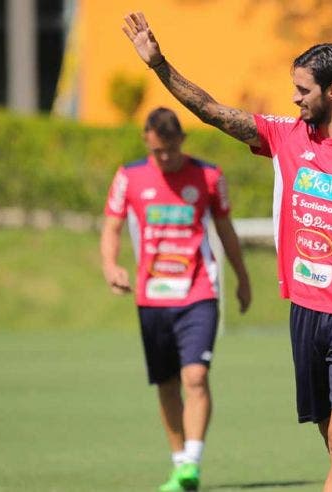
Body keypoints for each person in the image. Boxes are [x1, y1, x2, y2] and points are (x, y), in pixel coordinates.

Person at [122, 12, 332, 492]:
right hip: (307, 313)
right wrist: (159, 66)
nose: (294, 98)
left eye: (303, 89)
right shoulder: (286, 136)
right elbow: (212, 111)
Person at [100, 107, 251, 492]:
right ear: (146, 142)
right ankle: (179, 462)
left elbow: (226, 230)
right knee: (167, 384)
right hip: (152, 298)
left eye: (170, 150)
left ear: (182, 141)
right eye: (157, 151)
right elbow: (112, 226)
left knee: (196, 376)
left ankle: (193, 463)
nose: (164, 158)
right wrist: (110, 266)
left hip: (199, 292)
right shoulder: (129, 177)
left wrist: (243, 277)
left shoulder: (209, 177)